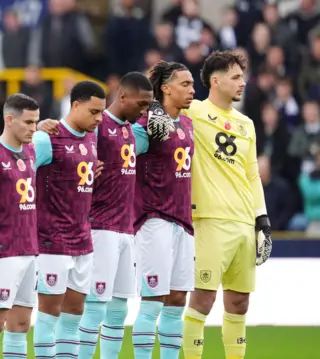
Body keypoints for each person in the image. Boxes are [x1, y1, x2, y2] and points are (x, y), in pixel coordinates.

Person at [38, 72, 154, 359]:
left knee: (119, 308)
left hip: (126, 229)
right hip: (98, 227)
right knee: (92, 306)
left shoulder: (131, 129)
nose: (145, 110)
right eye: (141, 104)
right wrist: (41, 127)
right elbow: (56, 144)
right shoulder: (94, 129)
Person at [175, 51, 272, 359]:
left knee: (239, 303)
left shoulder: (247, 124)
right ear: (215, 82)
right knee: (202, 300)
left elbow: (252, 174)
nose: (243, 83)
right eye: (236, 77)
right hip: (209, 220)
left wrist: (262, 221)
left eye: (242, 77)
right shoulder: (195, 111)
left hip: (244, 222)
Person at [31, 81, 106, 359]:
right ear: (75, 105)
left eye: (102, 112)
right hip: (52, 240)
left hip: (82, 240)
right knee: (49, 316)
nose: (99, 118)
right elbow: (18, 168)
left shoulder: (90, 138)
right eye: (94, 111)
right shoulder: (47, 138)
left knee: (73, 315)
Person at [130, 61, 195, 359]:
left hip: (183, 219)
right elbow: (122, 154)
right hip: (154, 217)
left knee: (178, 300)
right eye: (185, 84)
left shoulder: (188, 123)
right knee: (153, 299)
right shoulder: (145, 126)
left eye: (193, 84)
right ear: (165, 88)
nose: (192, 90)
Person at [0, 93, 39, 359]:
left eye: (36, 122)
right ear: (9, 120)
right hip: (0, 250)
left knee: (22, 323)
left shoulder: (32, 150)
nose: (33, 128)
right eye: (28, 122)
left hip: (28, 247)